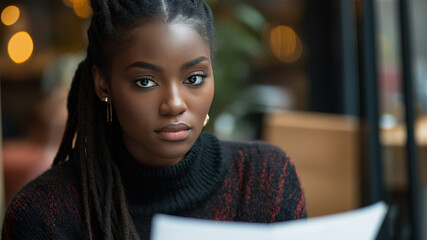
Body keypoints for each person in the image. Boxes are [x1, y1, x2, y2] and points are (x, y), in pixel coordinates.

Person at [2, 0, 307, 239]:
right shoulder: (44, 215)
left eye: (195, 78)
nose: (174, 104)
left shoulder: (264, 178)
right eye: (145, 82)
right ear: (102, 84)